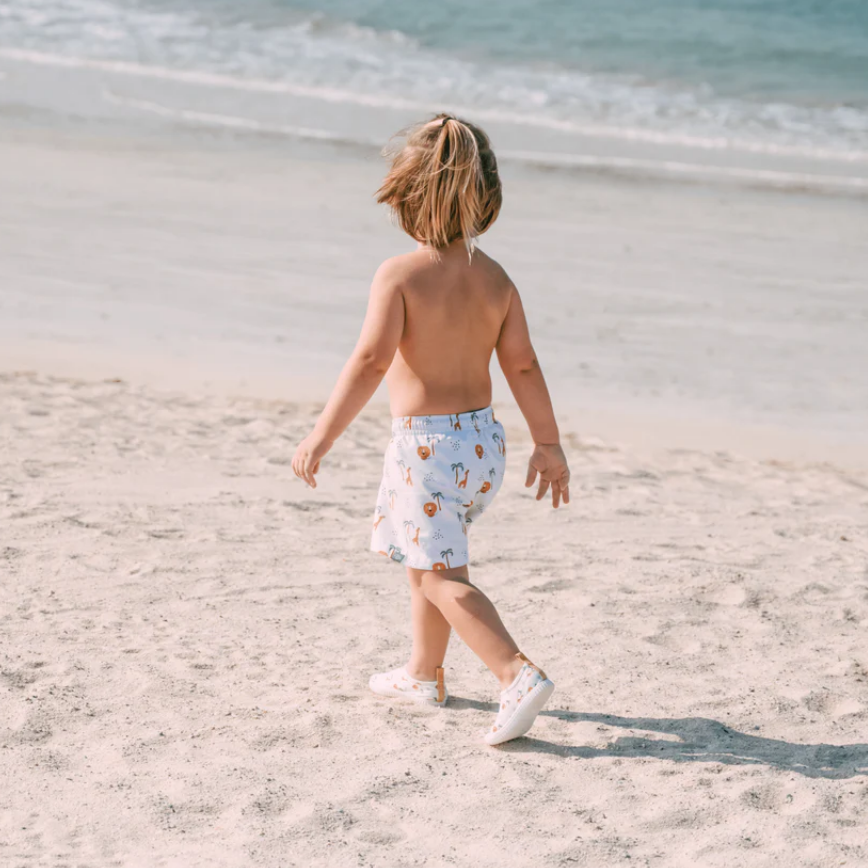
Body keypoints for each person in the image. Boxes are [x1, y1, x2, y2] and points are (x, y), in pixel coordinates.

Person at [292, 113, 570, 745]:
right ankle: (423, 673)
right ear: (488, 199)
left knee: (442, 575)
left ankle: (515, 672)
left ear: (405, 196)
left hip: (426, 448)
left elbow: (371, 361)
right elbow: (523, 366)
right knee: (428, 559)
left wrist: (322, 435)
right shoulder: (496, 279)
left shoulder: (400, 275)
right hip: (483, 446)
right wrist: (548, 443)